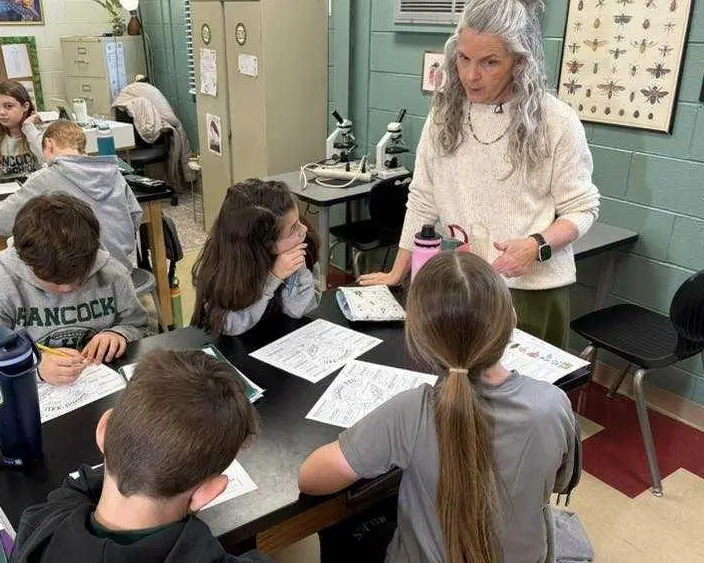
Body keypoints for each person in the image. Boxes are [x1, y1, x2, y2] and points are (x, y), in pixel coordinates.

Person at [299, 252, 581, 563]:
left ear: (419, 340)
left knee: (346, 529)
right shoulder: (553, 404)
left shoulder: (411, 411)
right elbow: (561, 482)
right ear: (512, 321)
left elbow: (312, 478)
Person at [360, 0, 600, 347]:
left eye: (490, 62)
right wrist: (399, 272)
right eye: (463, 58)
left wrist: (537, 245)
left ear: (520, 63)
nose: (471, 75)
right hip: (459, 283)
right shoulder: (445, 115)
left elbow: (583, 208)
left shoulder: (556, 121)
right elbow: (423, 199)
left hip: (528, 291)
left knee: (520, 396)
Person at [10, 349, 270, 563]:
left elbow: (78, 486)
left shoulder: (39, 524)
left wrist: (137, 455)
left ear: (103, 430)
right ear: (208, 492)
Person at [0, 194, 148, 386]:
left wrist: (119, 333)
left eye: (80, 280)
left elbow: (139, 326)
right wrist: (30, 366)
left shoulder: (112, 274)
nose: (66, 289)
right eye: (52, 282)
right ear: (27, 264)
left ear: (93, 256)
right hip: (31, 398)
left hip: (100, 386)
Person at [0, 119, 143, 272]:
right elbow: (135, 215)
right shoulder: (113, 173)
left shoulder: (46, 178)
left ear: (48, 144)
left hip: (75, 277)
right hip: (120, 269)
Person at [191, 179, 319, 336]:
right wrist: (273, 277)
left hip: (281, 338)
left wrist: (298, 270)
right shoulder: (226, 265)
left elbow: (298, 310)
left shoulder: (303, 242)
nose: (304, 229)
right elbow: (229, 326)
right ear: (264, 244)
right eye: (293, 228)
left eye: (298, 221)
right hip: (236, 344)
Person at [0, 79, 43, 182]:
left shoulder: (38, 131)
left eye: (8, 106)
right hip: (3, 191)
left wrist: (28, 127)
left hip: (35, 190)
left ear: (25, 106)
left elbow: (49, 161)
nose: (1, 112)